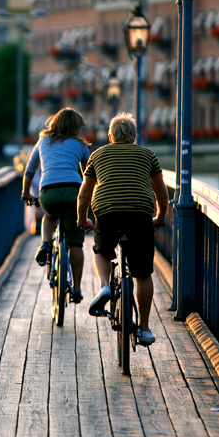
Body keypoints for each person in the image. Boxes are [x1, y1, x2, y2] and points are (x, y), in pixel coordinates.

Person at [76, 113, 169, 346]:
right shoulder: (148, 155)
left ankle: (105, 286)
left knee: (102, 250)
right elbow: (161, 193)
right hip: (140, 216)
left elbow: (84, 193)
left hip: (107, 214)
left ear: (110, 136)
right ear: (134, 137)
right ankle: (145, 329)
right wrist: (159, 216)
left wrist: (82, 219)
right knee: (143, 274)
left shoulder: (97, 155)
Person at [22, 108, 92, 303]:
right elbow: (89, 174)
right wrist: (91, 198)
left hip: (49, 191)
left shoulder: (43, 141)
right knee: (76, 243)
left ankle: (45, 243)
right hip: (73, 192)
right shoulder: (80, 145)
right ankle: (77, 289)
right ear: (75, 127)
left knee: (49, 215)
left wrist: (26, 193)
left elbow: (29, 171)